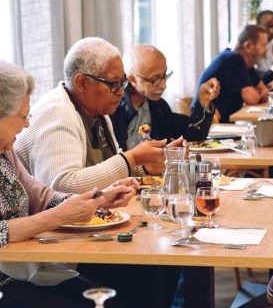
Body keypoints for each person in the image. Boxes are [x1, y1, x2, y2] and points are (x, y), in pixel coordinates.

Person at [0, 61, 179, 308]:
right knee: (108, 304)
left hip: (27, 269)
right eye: (22, 117)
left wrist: (100, 199)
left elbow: (41, 196)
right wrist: (58, 216)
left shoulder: (5, 151)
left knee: (121, 299)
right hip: (8, 281)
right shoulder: (58, 116)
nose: (27, 125)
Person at [15, 37, 173, 193]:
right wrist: (132, 158)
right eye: (113, 83)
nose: (121, 91)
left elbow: (105, 169)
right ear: (82, 82)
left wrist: (144, 167)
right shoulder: (58, 114)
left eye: (123, 82)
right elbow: (61, 187)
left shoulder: (98, 111)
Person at [111, 45, 220, 150]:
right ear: (133, 80)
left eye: (165, 76)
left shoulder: (158, 107)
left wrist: (203, 104)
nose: (163, 85)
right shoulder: (113, 109)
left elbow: (194, 134)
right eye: (155, 79)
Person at [192, 25, 269, 122]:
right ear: (248, 46)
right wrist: (258, 94)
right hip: (210, 124)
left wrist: (259, 94)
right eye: (264, 45)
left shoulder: (246, 63)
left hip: (224, 122)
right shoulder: (233, 58)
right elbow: (252, 99)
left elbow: (265, 92)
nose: (266, 49)